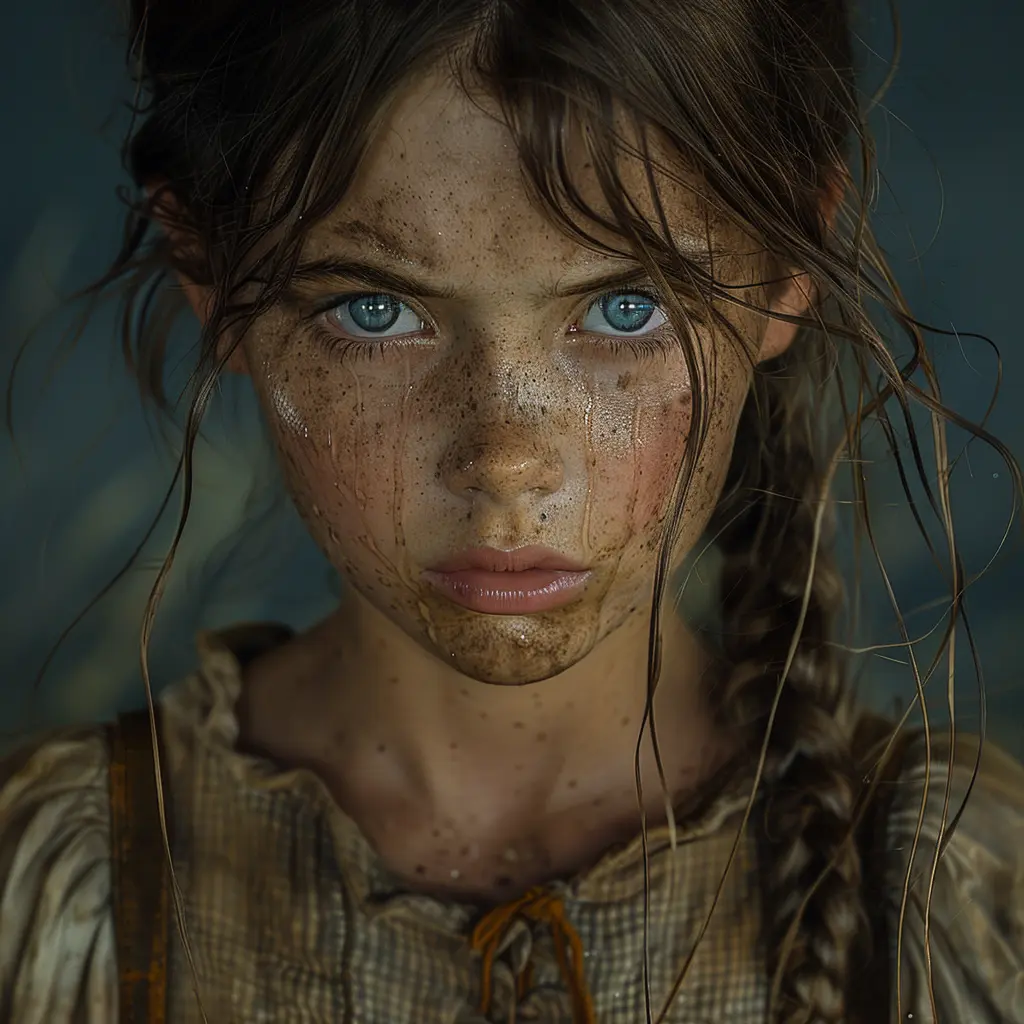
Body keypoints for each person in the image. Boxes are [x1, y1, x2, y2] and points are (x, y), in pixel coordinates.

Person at [1, 0, 1022, 1021]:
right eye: (376, 311)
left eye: (625, 308)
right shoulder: (54, 898)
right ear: (207, 268)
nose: (505, 464)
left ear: (789, 262)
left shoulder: (963, 905)